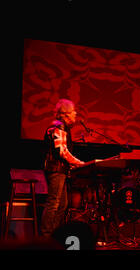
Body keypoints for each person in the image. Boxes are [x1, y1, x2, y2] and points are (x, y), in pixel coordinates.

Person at [41, 99, 85, 237]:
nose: (75, 114)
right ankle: (47, 235)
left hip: (59, 170)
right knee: (54, 203)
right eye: (73, 112)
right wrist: (78, 163)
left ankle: (54, 233)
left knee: (62, 204)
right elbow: (61, 151)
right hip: (56, 170)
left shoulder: (60, 127)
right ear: (65, 114)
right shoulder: (59, 126)